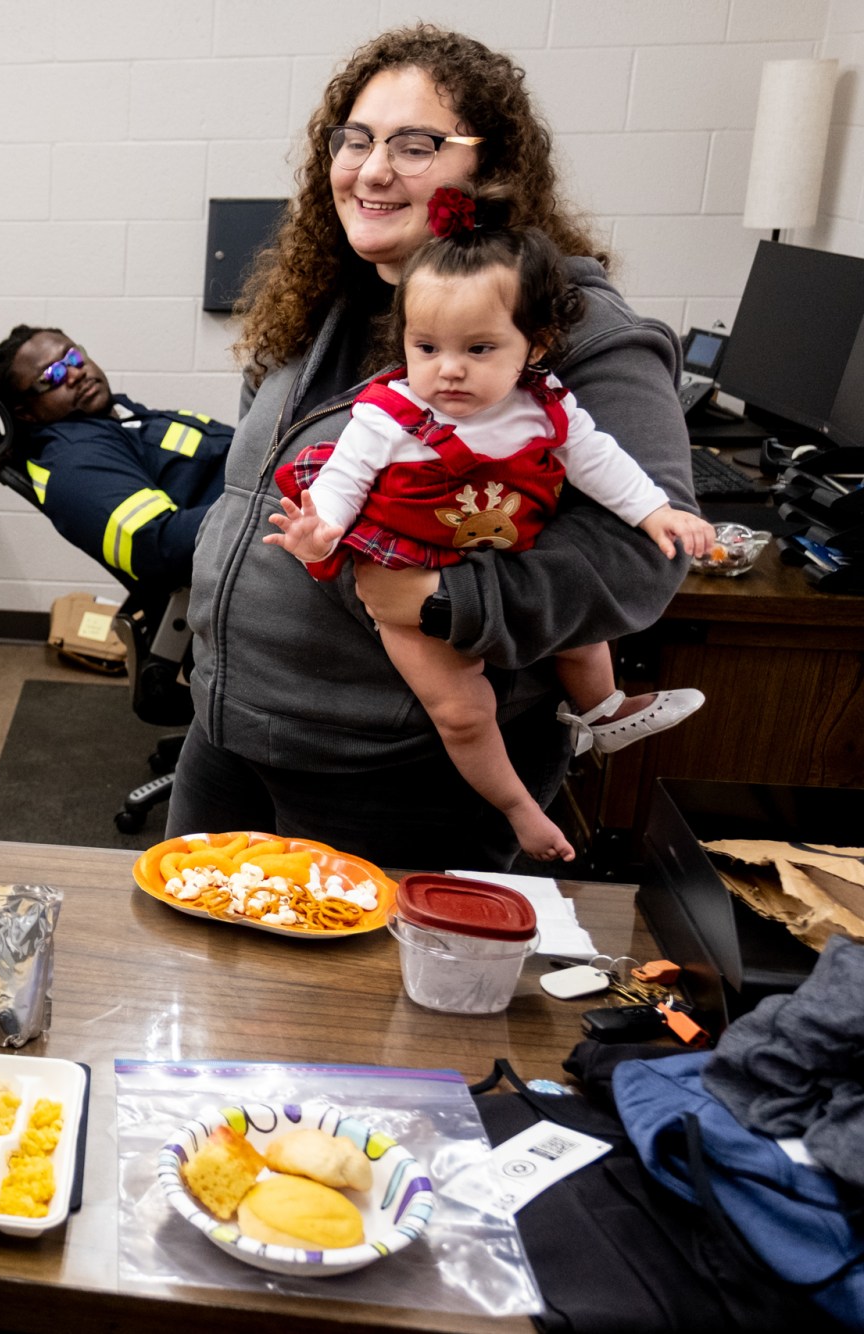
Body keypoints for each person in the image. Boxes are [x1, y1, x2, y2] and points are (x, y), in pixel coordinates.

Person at [169, 24, 697, 870]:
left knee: (356, 1006)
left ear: (489, 174)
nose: (373, 170)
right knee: (195, 989)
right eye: (357, 140)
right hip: (229, 734)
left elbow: (641, 555)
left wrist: (446, 602)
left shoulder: (580, 330)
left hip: (400, 776)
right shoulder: (326, 301)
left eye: (416, 146)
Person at [266, 186, 714, 862]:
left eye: (478, 348)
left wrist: (657, 510)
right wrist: (318, 532)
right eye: (426, 347)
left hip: (498, 557)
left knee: (583, 636)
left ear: (537, 345)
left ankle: (604, 712)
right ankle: (520, 809)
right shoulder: (390, 415)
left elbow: (600, 462)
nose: (448, 370)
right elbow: (343, 482)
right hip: (409, 576)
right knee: (462, 712)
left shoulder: (547, 406)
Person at [0, 326, 232, 586]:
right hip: (254, 542)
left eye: (73, 357)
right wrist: (257, 506)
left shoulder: (118, 415)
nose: (76, 373)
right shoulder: (75, 460)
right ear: (25, 413)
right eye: (52, 376)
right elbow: (159, 544)